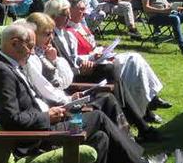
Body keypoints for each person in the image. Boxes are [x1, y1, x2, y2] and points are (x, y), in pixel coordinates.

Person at [0, 22, 166, 163]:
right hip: (35, 137)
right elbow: (12, 120)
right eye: (29, 45)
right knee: (97, 117)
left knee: (100, 138)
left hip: (45, 125)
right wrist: (47, 116)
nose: (32, 51)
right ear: (14, 43)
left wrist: (54, 110)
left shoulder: (11, 67)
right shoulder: (2, 73)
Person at [26, 11, 160, 144]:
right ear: (34, 35)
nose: (51, 37)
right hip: (59, 103)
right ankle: (133, 138)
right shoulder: (34, 58)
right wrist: (69, 95)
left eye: (52, 33)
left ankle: (131, 139)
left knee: (110, 88)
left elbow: (67, 74)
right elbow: (48, 88)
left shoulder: (50, 47)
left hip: (66, 90)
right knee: (109, 81)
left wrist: (57, 60)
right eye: (47, 34)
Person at [49, 0, 171, 129]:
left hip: (83, 68)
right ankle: (142, 117)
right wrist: (81, 68)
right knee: (114, 70)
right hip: (72, 80)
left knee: (123, 67)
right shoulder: (51, 38)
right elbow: (58, 71)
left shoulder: (66, 34)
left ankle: (143, 113)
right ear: (53, 15)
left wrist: (91, 58)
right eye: (65, 15)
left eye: (68, 15)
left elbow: (75, 58)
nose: (68, 18)